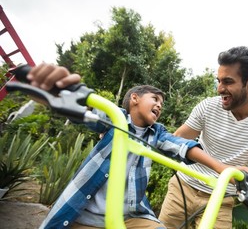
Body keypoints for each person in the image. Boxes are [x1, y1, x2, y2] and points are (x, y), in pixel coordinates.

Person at [25, 63, 236, 229]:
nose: (160, 105)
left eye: (162, 103)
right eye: (155, 99)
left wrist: (222, 168)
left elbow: (182, 146)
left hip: (131, 217)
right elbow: (88, 112)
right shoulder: (115, 119)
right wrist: (54, 94)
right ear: (134, 98)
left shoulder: (157, 133)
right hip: (84, 217)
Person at [159, 46, 248, 229]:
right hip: (182, 189)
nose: (219, 89)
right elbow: (175, 140)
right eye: (218, 81)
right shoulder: (208, 107)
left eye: (227, 81)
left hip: (221, 199)